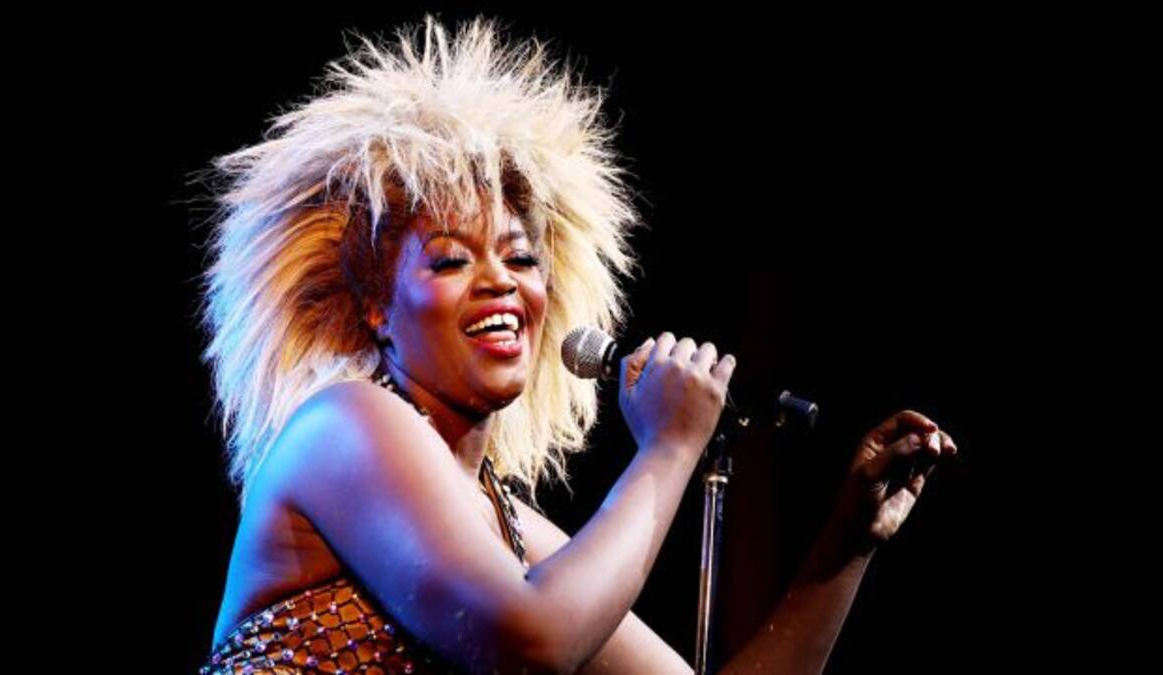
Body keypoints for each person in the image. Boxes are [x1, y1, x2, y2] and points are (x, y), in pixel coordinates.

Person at [196, 15, 959, 674]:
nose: (501, 281)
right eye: (452, 261)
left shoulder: (507, 527)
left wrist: (845, 546)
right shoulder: (344, 422)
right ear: (377, 311)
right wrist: (669, 446)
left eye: (521, 258)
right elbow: (532, 643)